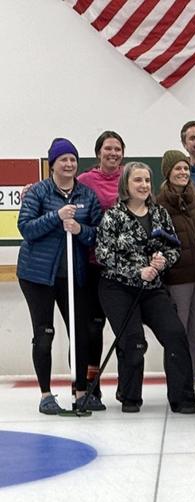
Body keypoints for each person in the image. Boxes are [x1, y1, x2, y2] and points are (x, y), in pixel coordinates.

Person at [95, 162, 195, 414]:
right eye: (137, 181)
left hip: (152, 289)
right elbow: (103, 254)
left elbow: (174, 247)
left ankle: (182, 398)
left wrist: (164, 261)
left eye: (146, 181)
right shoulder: (113, 216)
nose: (143, 185)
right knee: (134, 341)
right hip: (118, 288)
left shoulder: (160, 214)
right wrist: (136, 270)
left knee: (175, 334)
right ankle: (129, 396)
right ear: (126, 185)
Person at [17, 138, 102, 414]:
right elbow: (26, 228)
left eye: (73, 159)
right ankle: (45, 395)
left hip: (72, 275)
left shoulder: (86, 195)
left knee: (80, 334)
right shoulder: (39, 192)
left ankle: (80, 392)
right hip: (37, 275)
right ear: (52, 164)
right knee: (45, 334)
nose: (68, 164)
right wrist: (56, 216)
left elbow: (97, 234)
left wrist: (80, 229)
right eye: (63, 159)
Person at [156, 150, 195, 406]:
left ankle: (193, 380)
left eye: (185, 168)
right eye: (177, 169)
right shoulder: (159, 203)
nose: (182, 172)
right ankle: (179, 386)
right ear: (168, 173)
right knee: (178, 336)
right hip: (177, 281)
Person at [77, 130, 126, 393]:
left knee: (124, 328)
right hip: (94, 264)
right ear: (98, 153)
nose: (113, 153)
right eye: (108, 148)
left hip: (124, 267)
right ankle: (90, 384)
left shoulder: (130, 177)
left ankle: (126, 386)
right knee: (94, 328)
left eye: (117, 149)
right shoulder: (85, 181)